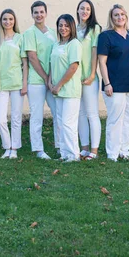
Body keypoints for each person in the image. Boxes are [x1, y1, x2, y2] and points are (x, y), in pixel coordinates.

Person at [97, 5, 129, 161]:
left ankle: (124, 150)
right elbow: (102, 62)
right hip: (115, 85)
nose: (120, 17)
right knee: (115, 119)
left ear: (126, 16)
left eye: (122, 14)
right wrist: (107, 83)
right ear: (111, 18)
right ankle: (112, 152)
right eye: (116, 15)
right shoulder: (106, 36)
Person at [0, 9, 28, 159]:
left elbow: (25, 62)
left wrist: (24, 83)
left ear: (14, 21)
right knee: (0, 118)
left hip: (17, 83)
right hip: (0, 84)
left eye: (10, 19)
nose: (8, 22)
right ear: (1, 21)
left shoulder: (20, 38)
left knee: (16, 117)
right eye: (5, 19)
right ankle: (7, 146)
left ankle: (15, 148)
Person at [23, 0, 58, 159]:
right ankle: (38, 149)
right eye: (35, 12)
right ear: (32, 14)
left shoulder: (52, 32)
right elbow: (32, 57)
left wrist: (51, 78)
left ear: (46, 13)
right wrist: (46, 78)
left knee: (57, 113)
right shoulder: (29, 33)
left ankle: (60, 145)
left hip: (52, 80)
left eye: (41, 12)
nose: (39, 15)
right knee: (36, 115)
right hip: (37, 81)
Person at [48, 14, 83, 162]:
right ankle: (64, 153)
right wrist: (50, 82)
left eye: (66, 25)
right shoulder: (56, 45)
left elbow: (73, 67)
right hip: (57, 90)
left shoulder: (74, 44)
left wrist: (59, 84)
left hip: (69, 90)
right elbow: (51, 65)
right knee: (60, 123)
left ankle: (74, 154)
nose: (63, 28)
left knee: (69, 123)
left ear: (72, 27)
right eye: (60, 25)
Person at [76, 0, 102, 160]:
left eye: (87, 9)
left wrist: (92, 73)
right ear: (77, 11)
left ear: (91, 12)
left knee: (92, 113)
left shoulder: (95, 29)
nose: (85, 11)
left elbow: (95, 52)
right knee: (80, 113)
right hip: (75, 78)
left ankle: (94, 149)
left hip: (89, 77)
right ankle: (84, 147)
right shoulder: (75, 28)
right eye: (82, 8)